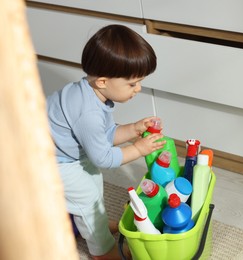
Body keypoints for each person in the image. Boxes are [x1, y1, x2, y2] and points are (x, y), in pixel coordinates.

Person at [46, 24, 166, 260]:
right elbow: (103, 157)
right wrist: (138, 149)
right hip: (50, 161)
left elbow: (103, 136)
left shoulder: (91, 92)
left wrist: (133, 129)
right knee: (86, 197)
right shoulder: (88, 113)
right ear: (103, 81)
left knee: (93, 181)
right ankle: (103, 251)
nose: (138, 89)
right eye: (132, 84)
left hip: (64, 152)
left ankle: (95, 222)